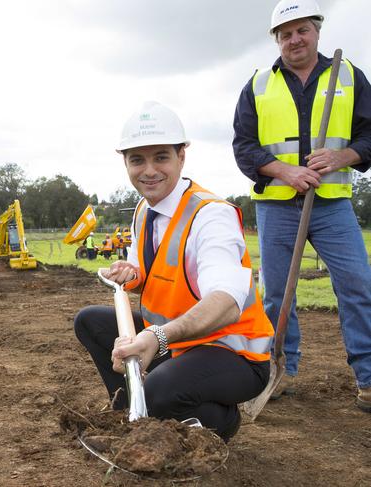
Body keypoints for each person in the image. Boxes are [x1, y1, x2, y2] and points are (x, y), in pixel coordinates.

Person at [75, 101, 274, 442]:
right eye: (137, 159)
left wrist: (157, 337)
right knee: (90, 322)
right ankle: (131, 413)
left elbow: (225, 301)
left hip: (232, 352)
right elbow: (153, 273)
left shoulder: (211, 216)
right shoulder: (143, 209)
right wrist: (131, 273)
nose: (149, 170)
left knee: (158, 390)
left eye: (161, 157)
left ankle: (221, 421)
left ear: (182, 157)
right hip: (178, 342)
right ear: (125, 161)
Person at [232, 0, 371, 411]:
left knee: (358, 284)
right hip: (277, 205)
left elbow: (369, 136)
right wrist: (286, 172)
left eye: (302, 30)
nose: (295, 39)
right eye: (286, 33)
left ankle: (368, 376)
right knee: (276, 294)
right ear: (277, 40)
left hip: (331, 204)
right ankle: (279, 369)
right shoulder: (257, 84)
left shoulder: (349, 76)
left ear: (317, 32)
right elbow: (244, 147)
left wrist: (342, 157)